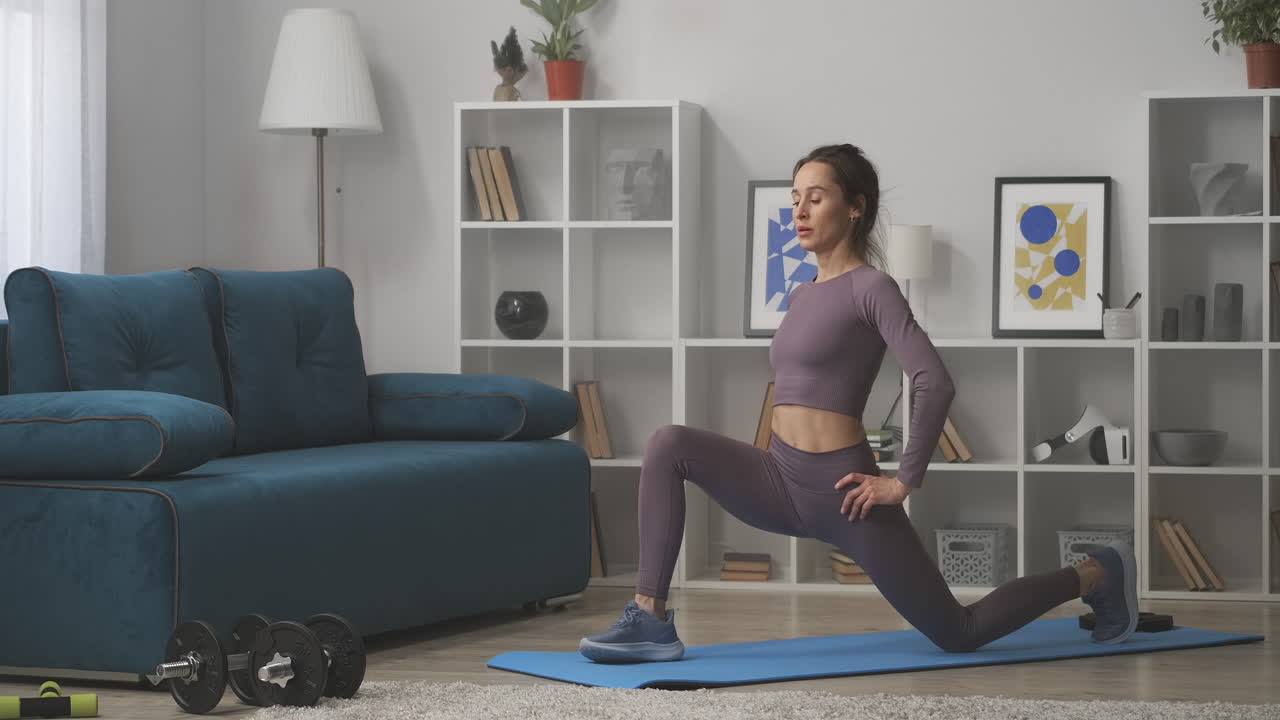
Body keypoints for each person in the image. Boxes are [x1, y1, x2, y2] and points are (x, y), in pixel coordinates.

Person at [578, 143, 1138, 664]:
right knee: (668, 444)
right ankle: (649, 618)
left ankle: (1096, 574)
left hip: (845, 495)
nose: (799, 210)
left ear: (854, 208)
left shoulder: (872, 288)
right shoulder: (802, 293)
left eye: (815, 198)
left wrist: (901, 481)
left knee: (958, 632)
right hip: (777, 476)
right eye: (795, 199)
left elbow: (933, 380)